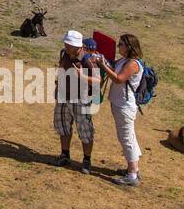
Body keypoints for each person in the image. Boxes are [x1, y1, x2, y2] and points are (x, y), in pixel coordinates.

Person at [53, 30, 100, 173]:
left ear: (77, 46)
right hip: (63, 96)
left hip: (80, 99)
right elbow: (61, 67)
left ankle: (86, 160)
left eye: (69, 44)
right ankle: (65, 154)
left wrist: (82, 76)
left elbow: (98, 81)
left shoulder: (87, 60)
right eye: (66, 43)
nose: (66, 46)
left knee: (85, 130)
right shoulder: (65, 53)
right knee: (63, 125)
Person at [101, 33, 145, 187]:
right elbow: (112, 65)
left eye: (121, 44)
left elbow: (119, 79)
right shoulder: (124, 60)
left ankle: (132, 175)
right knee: (128, 137)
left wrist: (103, 66)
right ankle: (133, 168)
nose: (118, 46)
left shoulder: (133, 64)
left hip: (124, 106)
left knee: (126, 138)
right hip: (120, 104)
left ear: (129, 47)